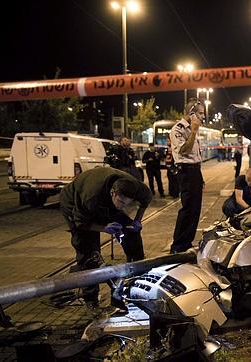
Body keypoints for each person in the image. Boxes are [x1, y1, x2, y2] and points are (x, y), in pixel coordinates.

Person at [60, 167, 152, 308]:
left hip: (104, 202)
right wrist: (104, 228)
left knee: (132, 235)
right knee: (89, 250)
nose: (123, 207)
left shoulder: (138, 189)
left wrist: (137, 221)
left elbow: (145, 201)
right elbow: (81, 223)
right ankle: (90, 299)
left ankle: (135, 284)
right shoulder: (91, 197)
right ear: (113, 193)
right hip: (75, 205)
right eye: (121, 202)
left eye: (127, 204)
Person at [169, 99, 205, 253]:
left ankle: (187, 242)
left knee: (195, 209)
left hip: (195, 170)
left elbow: (196, 156)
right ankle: (178, 245)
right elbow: (184, 151)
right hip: (186, 171)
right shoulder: (178, 129)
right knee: (187, 208)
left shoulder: (192, 128)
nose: (203, 116)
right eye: (201, 113)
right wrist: (194, 132)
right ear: (191, 113)